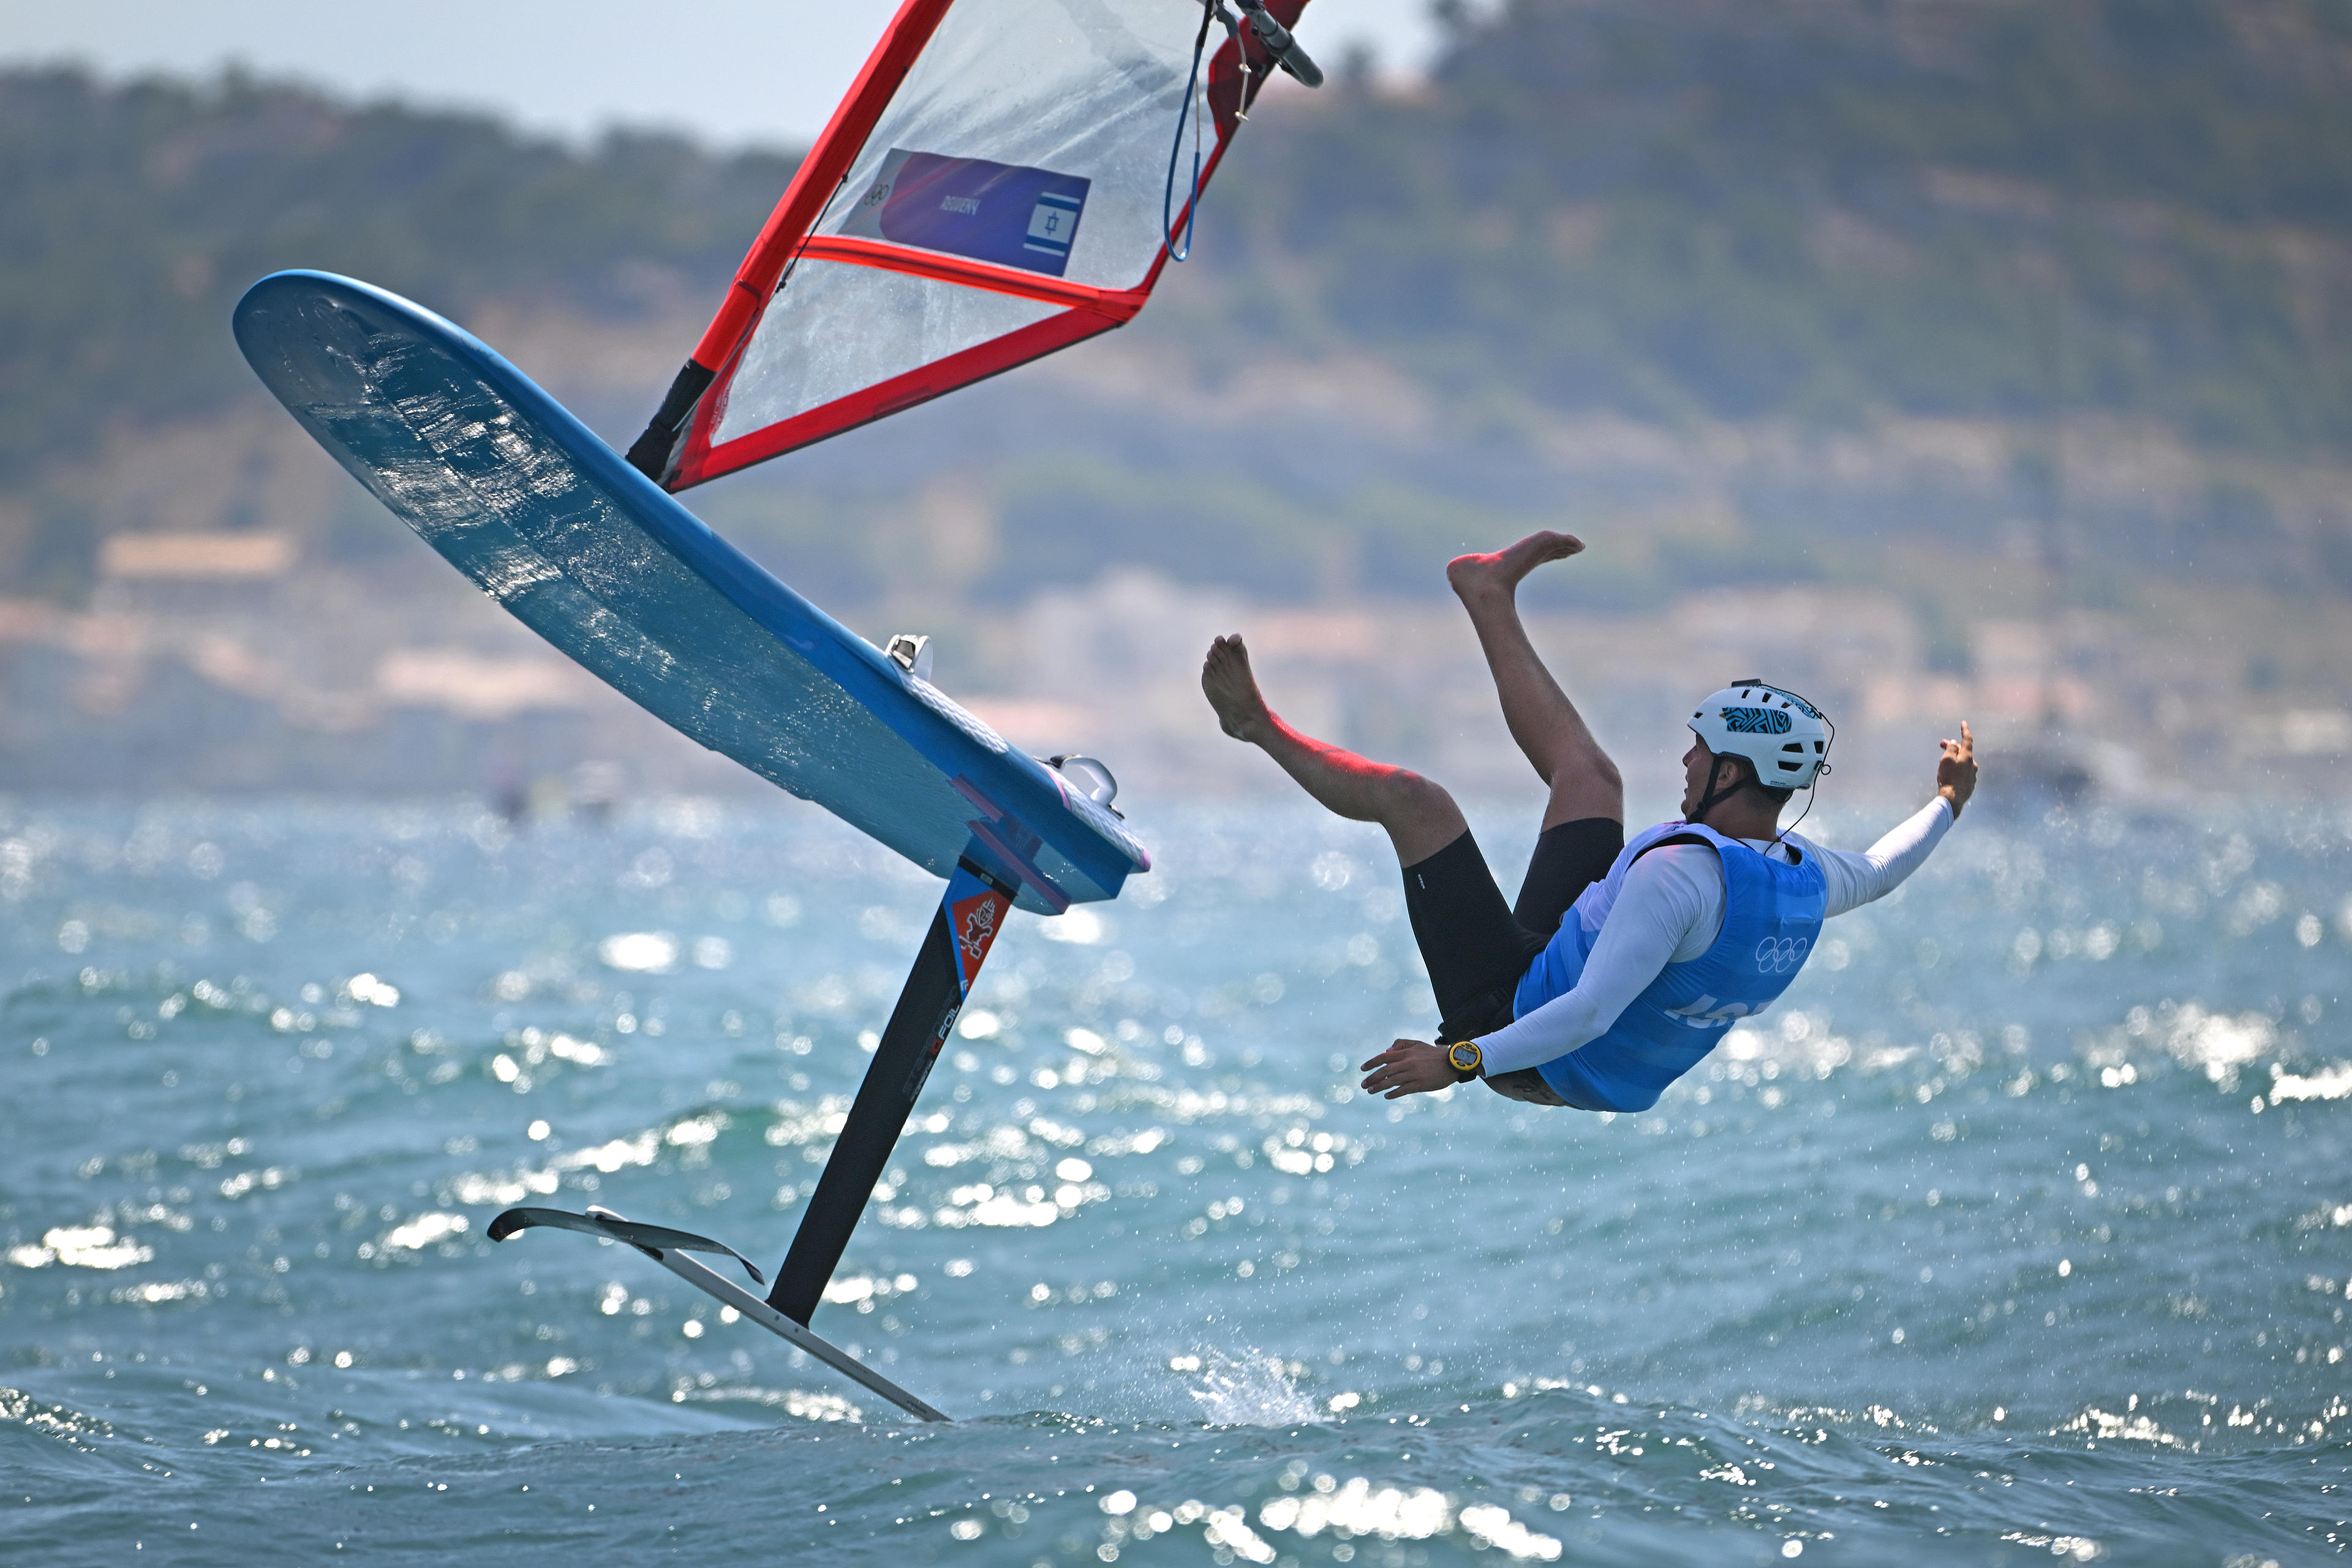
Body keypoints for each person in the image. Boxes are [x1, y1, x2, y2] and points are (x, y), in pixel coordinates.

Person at [1199, 531, 1978, 1112]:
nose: (1684, 763)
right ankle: (1489, 594)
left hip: (1521, 1031)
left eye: (1699, 752)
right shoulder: (1799, 874)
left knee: (1419, 804)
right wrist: (1946, 803)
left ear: (1733, 772)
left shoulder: (1683, 879)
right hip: (1559, 986)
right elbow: (1880, 870)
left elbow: (1592, 1010)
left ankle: (1256, 725)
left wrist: (1459, 1061)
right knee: (1594, 778)